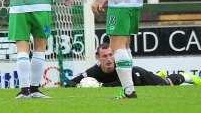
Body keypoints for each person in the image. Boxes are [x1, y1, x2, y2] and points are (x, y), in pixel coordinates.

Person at [65, 43, 201, 87]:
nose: (109, 59)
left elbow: (121, 84)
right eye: (104, 56)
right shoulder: (93, 72)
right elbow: (71, 83)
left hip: (139, 77)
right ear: (98, 58)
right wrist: (79, 85)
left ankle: (187, 76)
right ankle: (159, 74)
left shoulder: (122, 68)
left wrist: (100, 86)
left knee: (167, 84)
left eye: (111, 55)